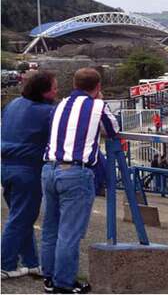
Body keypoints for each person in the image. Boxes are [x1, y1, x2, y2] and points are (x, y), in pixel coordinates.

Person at [41, 67, 119, 293]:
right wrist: (99, 101)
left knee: (50, 228)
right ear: (98, 87)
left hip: (49, 169)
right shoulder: (97, 105)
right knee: (70, 232)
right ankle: (64, 283)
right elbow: (114, 130)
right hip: (75, 172)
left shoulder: (59, 105)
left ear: (74, 85)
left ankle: (49, 276)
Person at [1, 71, 58, 280]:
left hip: (6, 166)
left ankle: (31, 262)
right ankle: (5, 264)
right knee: (20, 218)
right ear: (44, 91)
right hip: (28, 169)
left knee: (21, 216)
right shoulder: (47, 112)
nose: (56, 90)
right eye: (53, 87)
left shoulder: (13, 104)